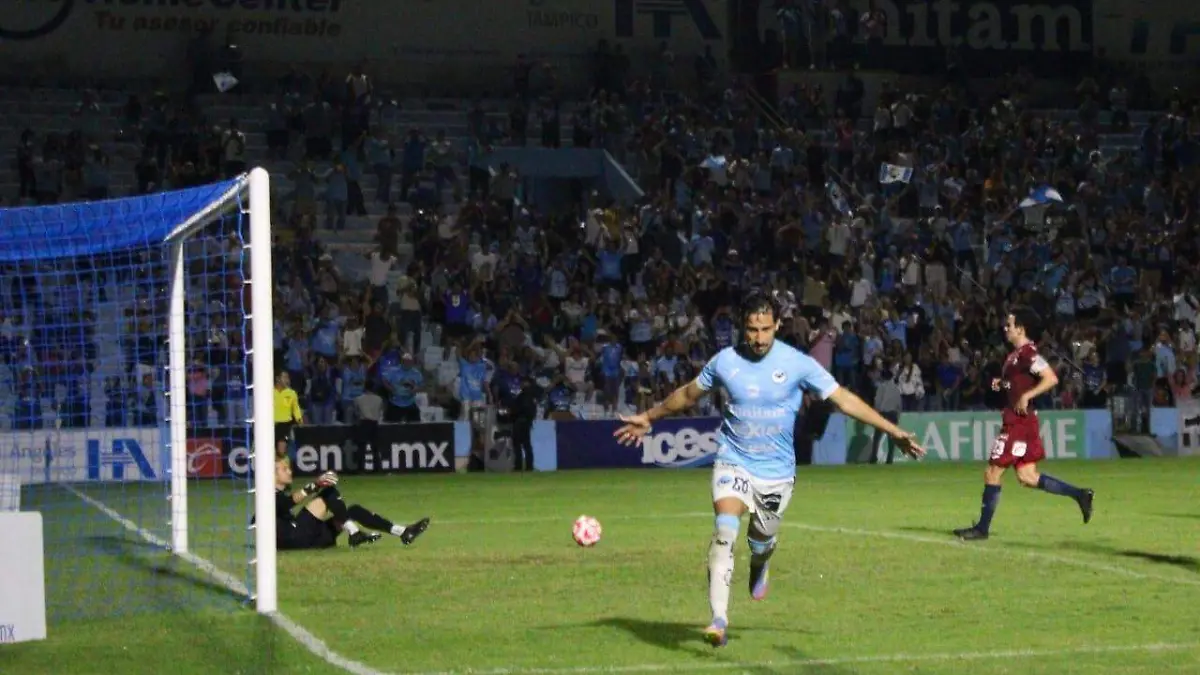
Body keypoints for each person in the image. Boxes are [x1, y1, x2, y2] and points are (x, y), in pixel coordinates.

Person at [613, 291, 926, 648]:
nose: (759, 338)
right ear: (741, 328)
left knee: (761, 539)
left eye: (765, 329)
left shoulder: (798, 364)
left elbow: (843, 399)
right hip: (734, 460)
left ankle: (760, 562)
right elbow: (687, 394)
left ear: (778, 325)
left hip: (776, 472)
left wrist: (893, 430)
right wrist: (649, 417)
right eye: (751, 329)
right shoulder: (725, 361)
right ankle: (718, 619)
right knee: (724, 530)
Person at [953, 309, 1095, 541]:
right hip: (1022, 421)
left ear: (1021, 328)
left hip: (1018, 422)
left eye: (1009, 325)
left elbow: (1051, 378)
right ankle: (1080, 494)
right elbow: (1017, 385)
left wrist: (1028, 395)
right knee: (1027, 476)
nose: (1005, 328)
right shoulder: (1015, 356)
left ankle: (982, 529)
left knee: (992, 473)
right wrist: (1004, 385)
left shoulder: (1029, 353)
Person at [272, 455, 431, 550]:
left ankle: (402, 532)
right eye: (284, 469)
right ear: (271, 473)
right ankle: (354, 532)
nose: (290, 471)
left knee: (352, 511)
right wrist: (315, 485)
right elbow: (284, 504)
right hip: (296, 539)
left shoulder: (276, 495)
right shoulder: (266, 495)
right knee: (329, 492)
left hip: (311, 539)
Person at [273, 371, 304, 459]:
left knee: (281, 449)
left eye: (288, 378)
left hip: (285, 424)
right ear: (278, 379)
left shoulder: (291, 393)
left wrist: (299, 419)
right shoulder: (270, 392)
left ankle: (284, 467)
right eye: (285, 377)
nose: (287, 380)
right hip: (271, 425)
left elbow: (295, 408)